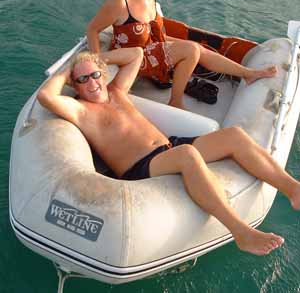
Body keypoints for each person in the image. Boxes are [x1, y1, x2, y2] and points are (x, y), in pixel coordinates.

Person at [37, 48, 300, 257]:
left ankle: (292, 189)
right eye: (83, 80)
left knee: (234, 137)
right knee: (187, 154)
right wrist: (69, 69)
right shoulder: (80, 109)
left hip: (167, 146)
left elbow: (135, 55)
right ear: (76, 85)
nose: (92, 83)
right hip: (139, 167)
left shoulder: (116, 90)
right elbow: (46, 97)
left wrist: (94, 59)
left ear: (103, 74)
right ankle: (240, 232)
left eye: (95, 75)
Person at [86, 0, 277, 109]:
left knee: (199, 49)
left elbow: (154, 30)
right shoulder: (120, 3)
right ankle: (175, 101)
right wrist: (98, 63)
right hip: (132, 55)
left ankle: (248, 74)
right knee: (191, 49)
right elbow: (93, 29)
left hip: (152, 44)